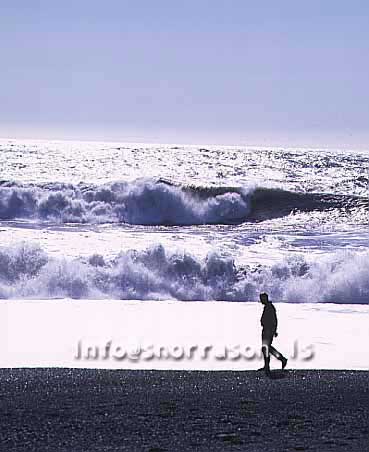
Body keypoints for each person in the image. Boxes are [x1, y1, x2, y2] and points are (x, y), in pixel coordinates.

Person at [258, 292, 287, 373]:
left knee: (266, 347)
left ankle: (281, 359)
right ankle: (267, 366)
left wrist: (274, 331)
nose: (260, 300)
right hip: (266, 330)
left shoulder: (270, 307)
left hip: (268, 330)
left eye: (262, 299)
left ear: (265, 298)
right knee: (265, 348)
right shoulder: (267, 307)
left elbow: (274, 320)